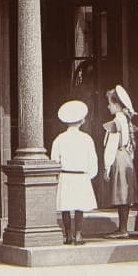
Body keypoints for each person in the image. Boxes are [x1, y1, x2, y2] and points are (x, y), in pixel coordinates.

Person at [51, 99, 99, 244]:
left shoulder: (59, 139)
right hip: (80, 176)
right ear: (82, 121)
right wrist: (89, 175)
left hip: (65, 175)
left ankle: (68, 234)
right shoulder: (87, 139)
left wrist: (57, 175)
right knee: (79, 206)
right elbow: (93, 159)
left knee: (66, 207)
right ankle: (78, 234)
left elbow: (54, 160)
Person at [101, 84, 137, 238]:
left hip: (119, 157)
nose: (108, 107)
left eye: (109, 104)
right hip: (127, 157)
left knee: (122, 193)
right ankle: (123, 228)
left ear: (116, 104)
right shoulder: (126, 120)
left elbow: (110, 146)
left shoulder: (116, 122)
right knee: (125, 194)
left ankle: (122, 229)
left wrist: (107, 166)